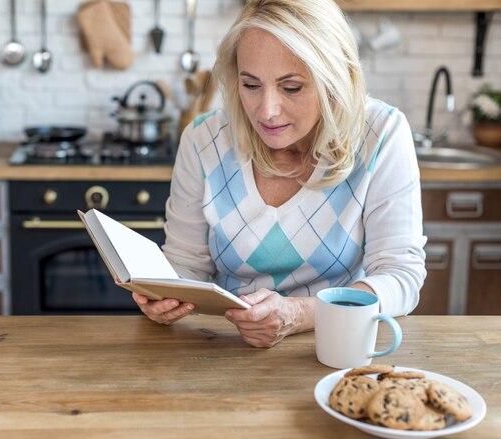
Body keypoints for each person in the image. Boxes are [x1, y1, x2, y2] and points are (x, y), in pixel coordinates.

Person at [132, 0, 427, 347]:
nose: (267, 111)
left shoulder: (381, 132)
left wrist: (301, 313)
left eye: (291, 88)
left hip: (336, 345)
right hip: (227, 346)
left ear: (335, 80)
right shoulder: (204, 140)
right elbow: (185, 265)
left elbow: (400, 276)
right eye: (251, 86)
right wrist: (165, 294)